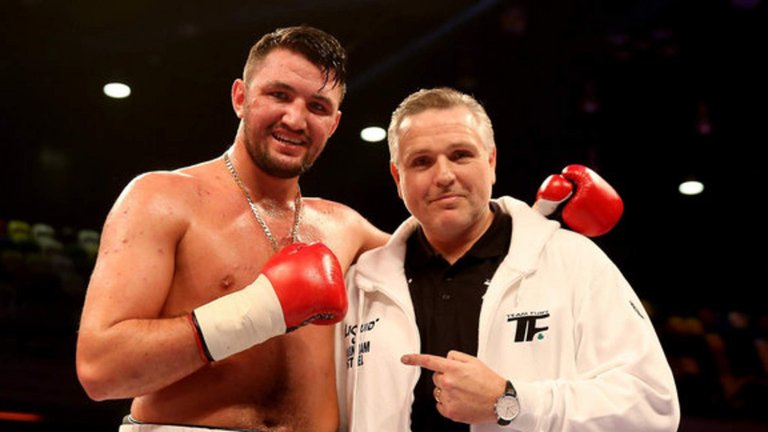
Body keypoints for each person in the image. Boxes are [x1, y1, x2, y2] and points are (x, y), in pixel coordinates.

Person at [76, 25, 389, 432]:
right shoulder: (161, 199)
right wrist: (258, 311)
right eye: (279, 95)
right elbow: (100, 369)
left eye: (317, 106)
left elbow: (451, 256)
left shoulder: (347, 229)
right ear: (240, 97)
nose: (295, 118)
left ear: (333, 123)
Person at [336, 87, 680, 431]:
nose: (443, 176)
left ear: (491, 162)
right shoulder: (360, 287)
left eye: (460, 155)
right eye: (421, 161)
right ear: (398, 178)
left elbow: (652, 408)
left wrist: (510, 399)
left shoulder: (573, 262)